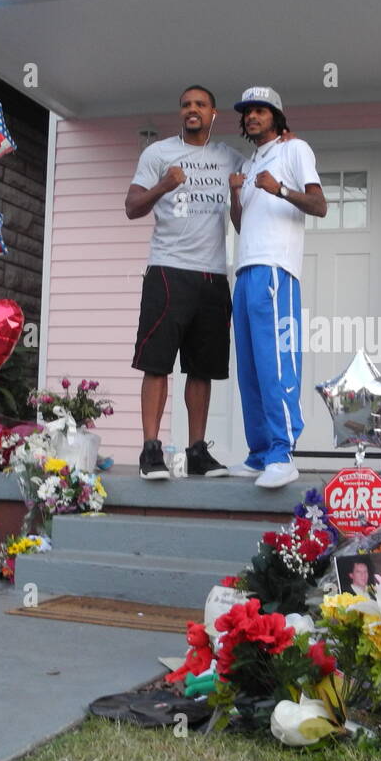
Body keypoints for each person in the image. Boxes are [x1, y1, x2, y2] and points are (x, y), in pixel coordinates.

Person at [125, 85, 242, 480]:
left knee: (202, 368)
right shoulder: (158, 154)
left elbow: (241, 223)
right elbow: (131, 207)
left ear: (214, 113)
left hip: (212, 276)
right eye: (186, 105)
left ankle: (196, 452)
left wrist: (239, 192)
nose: (192, 110)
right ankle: (151, 450)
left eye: (200, 105)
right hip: (167, 271)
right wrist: (164, 185)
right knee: (156, 364)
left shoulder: (228, 156)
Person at [227, 86, 326, 488]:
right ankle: (259, 453)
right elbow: (240, 224)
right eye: (248, 112)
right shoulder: (251, 163)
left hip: (276, 269)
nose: (253, 117)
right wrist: (238, 193)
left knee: (276, 361)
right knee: (249, 367)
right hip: (245, 268)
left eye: (261, 110)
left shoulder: (294, 149)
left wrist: (280, 188)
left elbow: (319, 205)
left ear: (277, 115)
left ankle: (283, 453)